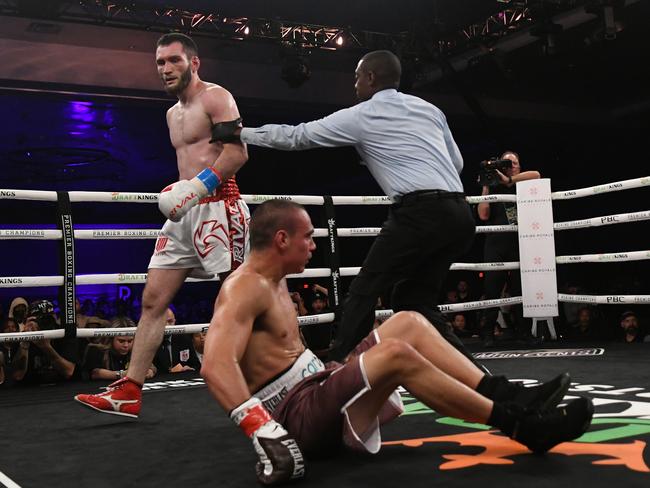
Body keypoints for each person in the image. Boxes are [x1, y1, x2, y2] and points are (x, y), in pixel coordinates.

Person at [200, 200, 592, 484]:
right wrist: (261, 429)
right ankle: (522, 426)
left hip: (314, 388)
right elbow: (216, 364)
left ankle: (509, 395)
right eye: (308, 238)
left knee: (409, 322)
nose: (314, 246)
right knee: (396, 354)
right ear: (282, 239)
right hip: (294, 416)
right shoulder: (245, 287)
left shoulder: (276, 278)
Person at [211, 49, 481, 366]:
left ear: (370, 77)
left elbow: (296, 137)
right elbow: (457, 164)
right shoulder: (430, 110)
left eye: (356, 76)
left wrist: (241, 132)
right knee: (413, 298)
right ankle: (484, 383)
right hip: (460, 213)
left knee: (363, 293)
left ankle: (336, 372)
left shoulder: (362, 115)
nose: (354, 85)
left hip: (419, 212)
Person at [75, 32, 249, 417]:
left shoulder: (216, 98)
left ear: (194, 62)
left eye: (174, 60)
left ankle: (278, 375)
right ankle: (129, 389)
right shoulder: (172, 114)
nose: (166, 69)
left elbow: (238, 153)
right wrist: (185, 192)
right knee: (153, 300)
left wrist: (197, 187)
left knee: (241, 300)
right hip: (186, 214)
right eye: (160, 63)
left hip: (221, 208)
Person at [477, 150, 541, 346]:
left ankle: (524, 332)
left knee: (521, 289)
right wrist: (486, 185)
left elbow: (537, 175)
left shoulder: (523, 185)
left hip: (519, 243)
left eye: (514, 163)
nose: (511, 166)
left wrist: (509, 181)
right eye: (507, 163)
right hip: (495, 243)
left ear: (519, 166)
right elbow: (483, 215)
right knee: (492, 289)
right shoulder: (495, 187)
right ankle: (487, 333)